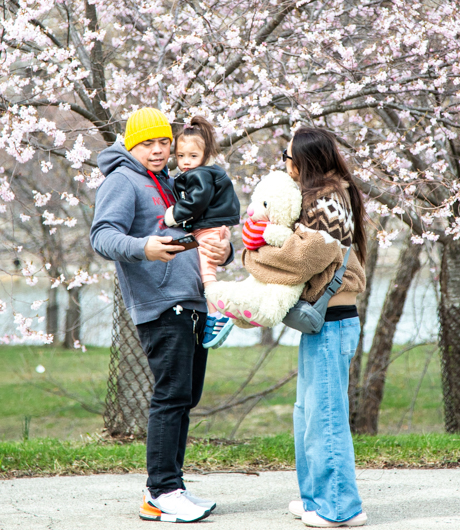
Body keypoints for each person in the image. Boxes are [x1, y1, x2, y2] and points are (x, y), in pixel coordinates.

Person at [90, 107, 233, 524]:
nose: (158, 150)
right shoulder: (122, 180)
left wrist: (224, 252)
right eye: (148, 143)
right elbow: (102, 235)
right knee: (171, 395)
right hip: (160, 304)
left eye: (163, 142)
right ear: (131, 144)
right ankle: (161, 491)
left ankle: (172, 485)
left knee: (187, 398)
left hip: (192, 302)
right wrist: (144, 247)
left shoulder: (171, 182)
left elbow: (197, 232)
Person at [241, 127, 369, 528]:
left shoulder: (329, 200)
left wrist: (252, 256)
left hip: (333, 321)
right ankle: (316, 499)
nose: (284, 161)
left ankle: (340, 509)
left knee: (326, 416)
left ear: (307, 160)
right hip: (326, 324)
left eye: (288, 154)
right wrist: (261, 247)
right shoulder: (319, 197)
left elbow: (301, 260)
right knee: (309, 414)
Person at [163, 116, 242, 349]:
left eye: (193, 156)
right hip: (202, 231)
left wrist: (172, 214)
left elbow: (196, 203)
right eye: (180, 156)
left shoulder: (201, 174)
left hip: (207, 230)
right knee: (196, 260)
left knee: (207, 274)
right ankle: (215, 312)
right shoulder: (196, 173)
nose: (185, 162)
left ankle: (219, 314)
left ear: (205, 155)